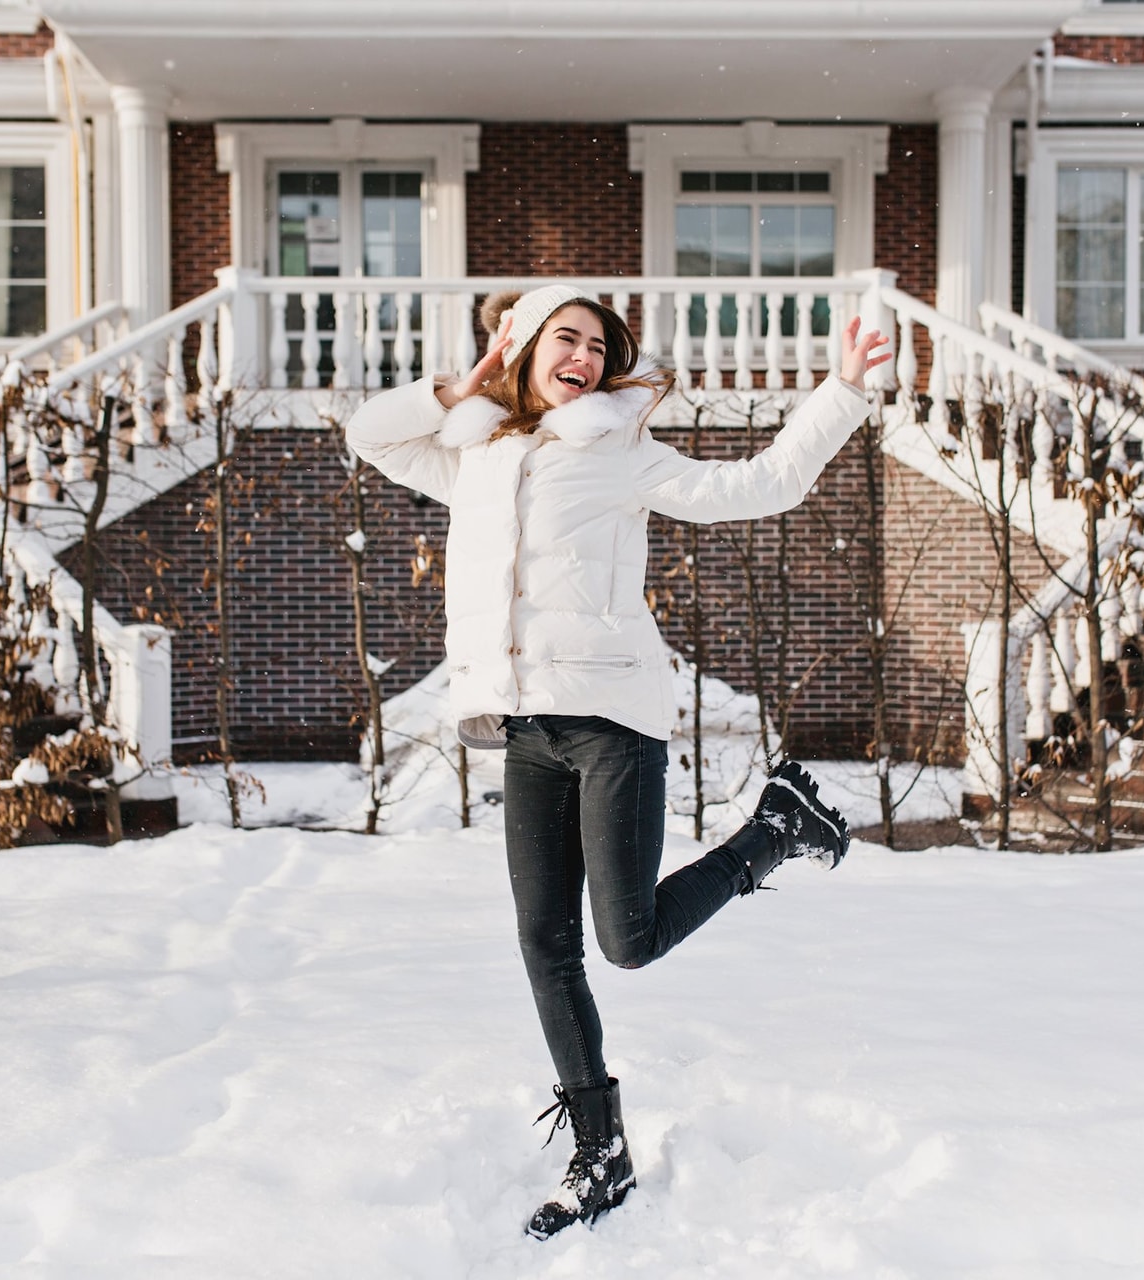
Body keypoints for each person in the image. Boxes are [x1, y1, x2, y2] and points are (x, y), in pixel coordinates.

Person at [345, 283, 890, 1238]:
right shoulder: (475, 454)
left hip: (612, 723)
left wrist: (841, 392)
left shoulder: (622, 454)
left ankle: (771, 834)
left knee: (626, 941)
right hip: (525, 729)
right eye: (567, 337)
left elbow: (760, 486)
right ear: (521, 347)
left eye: (599, 345)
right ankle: (601, 1154)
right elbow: (369, 435)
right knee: (542, 944)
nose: (586, 358)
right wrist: (454, 391)